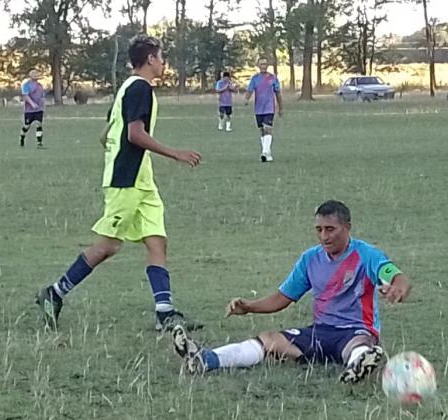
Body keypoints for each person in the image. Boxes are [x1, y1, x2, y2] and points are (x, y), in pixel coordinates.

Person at [35, 35, 204, 333]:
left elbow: (107, 134)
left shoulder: (127, 87)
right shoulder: (139, 88)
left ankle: (165, 313)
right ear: (150, 59)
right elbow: (134, 135)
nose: (164, 63)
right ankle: (54, 293)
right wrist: (175, 153)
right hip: (126, 181)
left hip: (141, 179)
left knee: (156, 241)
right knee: (109, 245)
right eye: (161, 57)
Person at [170, 200, 412, 384]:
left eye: (330, 229)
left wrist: (398, 287)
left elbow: (395, 275)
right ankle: (204, 359)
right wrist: (250, 306)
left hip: (355, 330)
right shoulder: (310, 259)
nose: (323, 236)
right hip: (320, 332)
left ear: (347, 228)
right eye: (319, 229)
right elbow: (283, 297)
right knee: (269, 340)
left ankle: (360, 363)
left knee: (358, 344)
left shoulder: (367, 255)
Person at [244, 57, 284, 162]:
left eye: (265, 64)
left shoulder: (272, 78)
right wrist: (246, 99)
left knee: (268, 128)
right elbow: (250, 90)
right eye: (261, 64)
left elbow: (278, 93)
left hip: (269, 108)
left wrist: (280, 107)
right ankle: (267, 153)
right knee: (261, 130)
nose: (263, 66)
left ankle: (265, 152)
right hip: (258, 108)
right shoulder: (255, 78)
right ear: (258, 65)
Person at [20, 68, 45, 148]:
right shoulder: (26, 85)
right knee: (27, 126)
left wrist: (41, 104)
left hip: (39, 109)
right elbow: (25, 96)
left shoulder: (40, 86)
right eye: (33, 73)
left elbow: (41, 96)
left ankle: (39, 143)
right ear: (30, 75)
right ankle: (22, 138)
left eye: (36, 73)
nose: (35, 74)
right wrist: (32, 104)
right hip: (29, 110)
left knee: (39, 124)